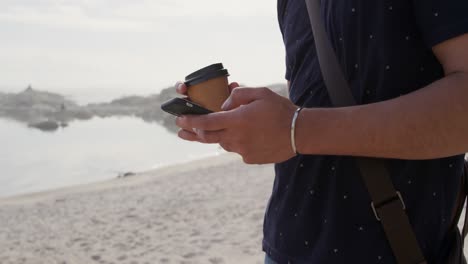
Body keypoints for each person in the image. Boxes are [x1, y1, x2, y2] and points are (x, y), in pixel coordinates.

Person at [175, 0, 468, 263]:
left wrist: (296, 129)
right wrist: (251, 121)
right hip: (283, 245)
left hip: (390, 248)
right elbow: (308, 106)